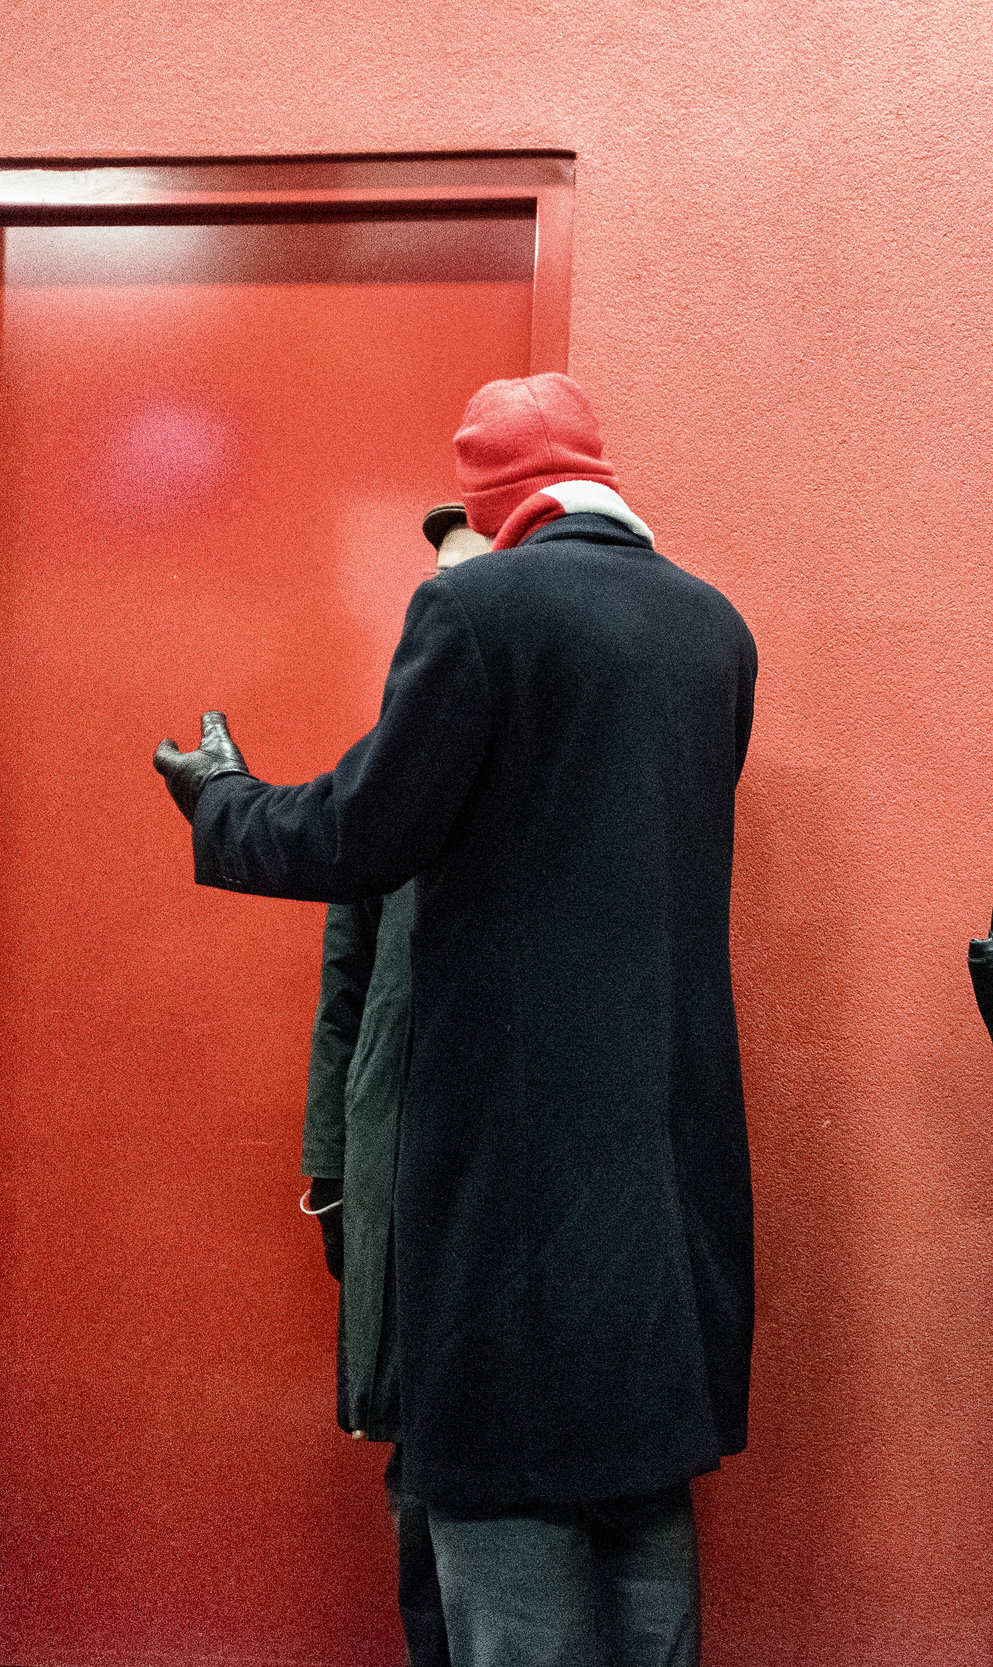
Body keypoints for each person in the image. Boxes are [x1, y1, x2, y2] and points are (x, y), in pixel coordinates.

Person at [153, 372, 757, 1667]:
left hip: (513, 1179)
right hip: (664, 1165)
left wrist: (221, 799)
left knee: (505, 1541)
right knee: (644, 1510)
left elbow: (365, 829)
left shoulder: (479, 608)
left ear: (493, 499)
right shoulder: (715, 629)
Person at [296, 503, 491, 1667]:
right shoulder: (387, 765)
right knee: (415, 1465)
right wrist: (330, 1167)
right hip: (399, 1158)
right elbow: (344, 977)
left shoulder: (548, 778)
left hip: (500, 1178)